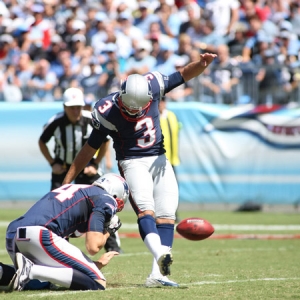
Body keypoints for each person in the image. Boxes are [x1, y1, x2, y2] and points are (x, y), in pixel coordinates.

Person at [62, 52, 217, 288]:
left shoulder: (153, 84)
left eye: (139, 107)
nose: (135, 112)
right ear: (122, 97)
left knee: (167, 215)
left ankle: (158, 274)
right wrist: (68, 181)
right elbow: (89, 148)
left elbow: (185, 73)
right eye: (130, 108)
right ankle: (160, 255)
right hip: (132, 161)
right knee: (146, 212)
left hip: (159, 159)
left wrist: (202, 64)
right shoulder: (107, 110)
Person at [5, 173, 129, 292]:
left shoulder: (79, 190)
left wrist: (94, 265)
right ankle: (31, 270)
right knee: (98, 283)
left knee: (39, 282)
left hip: (14, 233)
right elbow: (93, 246)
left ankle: (3, 271)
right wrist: (108, 230)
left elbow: (65, 254)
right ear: (114, 194)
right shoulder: (105, 198)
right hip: (40, 233)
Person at [38, 87, 121, 253]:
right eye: (71, 107)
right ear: (64, 107)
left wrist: (96, 164)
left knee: (101, 200)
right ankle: (58, 244)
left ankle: (112, 245)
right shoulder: (55, 121)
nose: (76, 111)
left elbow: (105, 142)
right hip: (62, 167)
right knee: (55, 205)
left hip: (86, 167)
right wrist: (52, 162)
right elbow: (42, 142)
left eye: (78, 107)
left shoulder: (91, 119)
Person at [158, 96, 181, 223]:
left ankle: (173, 214)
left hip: (172, 160)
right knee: (158, 189)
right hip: (158, 161)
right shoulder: (154, 117)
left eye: (163, 101)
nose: (161, 104)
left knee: (173, 189)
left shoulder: (172, 116)